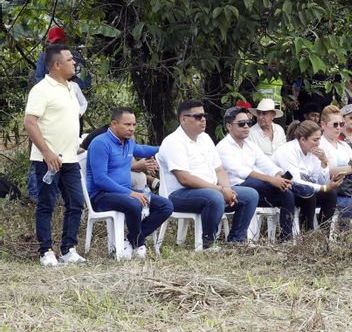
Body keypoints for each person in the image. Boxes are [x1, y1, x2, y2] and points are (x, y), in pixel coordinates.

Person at [158, 100, 259, 249]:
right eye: (198, 116)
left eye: (204, 115)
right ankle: (208, 244)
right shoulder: (173, 141)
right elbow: (185, 179)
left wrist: (227, 189)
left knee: (250, 194)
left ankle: (237, 240)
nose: (203, 119)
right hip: (179, 194)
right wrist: (220, 190)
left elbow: (219, 170)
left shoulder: (205, 138)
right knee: (215, 197)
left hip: (211, 190)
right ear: (183, 119)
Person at [25, 44, 87, 266]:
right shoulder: (42, 89)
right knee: (46, 204)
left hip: (70, 158)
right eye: (70, 60)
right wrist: (46, 152)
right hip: (48, 159)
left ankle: (69, 249)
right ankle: (46, 251)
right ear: (57, 65)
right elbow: (30, 122)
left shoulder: (71, 88)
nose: (75, 63)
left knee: (76, 203)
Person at [85, 108, 173, 259]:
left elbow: (145, 149)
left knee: (166, 206)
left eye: (133, 124)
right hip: (101, 196)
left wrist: (168, 148)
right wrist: (131, 193)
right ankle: (139, 243)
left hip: (125, 194)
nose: (131, 128)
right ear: (114, 124)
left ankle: (131, 240)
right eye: (127, 124)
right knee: (134, 203)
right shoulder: (100, 143)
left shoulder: (128, 143)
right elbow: (100, 179)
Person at [217, 107, 314, 241]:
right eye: (241, 124)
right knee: (257, 182)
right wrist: (272, 180)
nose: (246, 127)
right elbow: (242, 172)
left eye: (248, 123)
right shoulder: (223, 147)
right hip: (235, 187)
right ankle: (295, 185)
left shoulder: (250, 145)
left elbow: (266, 164)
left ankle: (286, 237)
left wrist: (280, 175)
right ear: (229, 126)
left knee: (286, 192)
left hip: (256, 188)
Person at [272, 121, 343, 231]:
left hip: (302, 190)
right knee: (309, 194)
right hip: (284, 190)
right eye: (315, 140)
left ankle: (324, 235)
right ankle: (307, 236)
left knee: (331, 194)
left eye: (319, 139)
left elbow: (320, 181)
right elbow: (296, 181)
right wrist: (324, 188)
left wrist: (324, 162)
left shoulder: (313, 152)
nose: (318, 143)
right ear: (303, 139)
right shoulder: (287, 151)